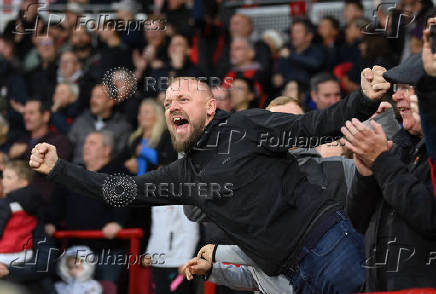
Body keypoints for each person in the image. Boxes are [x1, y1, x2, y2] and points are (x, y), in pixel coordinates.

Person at [30, 69, 390, 293]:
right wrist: (59, 169)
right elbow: (119, 191)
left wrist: (362, 99)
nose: (172, 106)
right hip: (287, 276)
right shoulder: (183, 174)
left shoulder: (245, 125)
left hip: (330, 246)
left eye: (183, 98)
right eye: (168, 101)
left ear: (209, 108)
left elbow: (312, 126)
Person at [342, 54, 435, 289]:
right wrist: (366, 176)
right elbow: (356, 222)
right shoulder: (397, 147)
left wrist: (382, 162)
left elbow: (430, 217)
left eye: (407, 88)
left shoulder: (389, 155)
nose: (396, 96)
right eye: (396, 88)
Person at [68, 84, 131, 164]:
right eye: (92, 96)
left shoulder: (123, 127)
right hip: (76, 169)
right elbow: (68, 148)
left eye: (98, 97)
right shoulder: (81, 121)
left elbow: (121, 157)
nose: (93, 100)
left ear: (111, 102)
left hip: (106, 173)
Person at [0, 160, 41, 266]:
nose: (4, 181)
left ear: (24, 182)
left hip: (4, 254)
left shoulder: (6, 202)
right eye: (3, 177)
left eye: (9, 178)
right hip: (26, 253)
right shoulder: (37, 201)